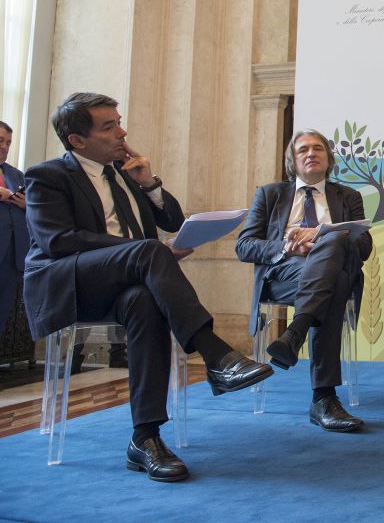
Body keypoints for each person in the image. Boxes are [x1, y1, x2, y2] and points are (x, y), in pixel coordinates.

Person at [23, 92, 272, 482]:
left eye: (119, 122)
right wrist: (142, 251)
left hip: (128, 283)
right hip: (69, 283)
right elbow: (57, 241)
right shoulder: (47, 176)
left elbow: (172, 221)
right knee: (150, 251)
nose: (122, 133)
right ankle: (215, 354)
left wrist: (149, 183)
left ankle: (145, 438)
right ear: (77, 140)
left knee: (144, 301)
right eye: (109, 127)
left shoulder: (124, 174)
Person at [235, 129, 372, 432]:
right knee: (335, 281)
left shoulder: (348, 196)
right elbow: (244, 246)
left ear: (328, 158)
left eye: (318, 148)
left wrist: (323, 235)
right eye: (303, 150)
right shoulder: (270, 194)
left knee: (335, 248)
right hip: (285, 273)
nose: (311, 153)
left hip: (330, 274)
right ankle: (323, 398)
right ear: (292, 161)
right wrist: (286, 247)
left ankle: (296, 332)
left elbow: (364, 247)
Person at [0, 121, 29, 335]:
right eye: (0, 141)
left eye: (8, 143)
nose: (4, 147)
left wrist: (28, 205)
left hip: (13, 257)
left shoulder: (17, 175)